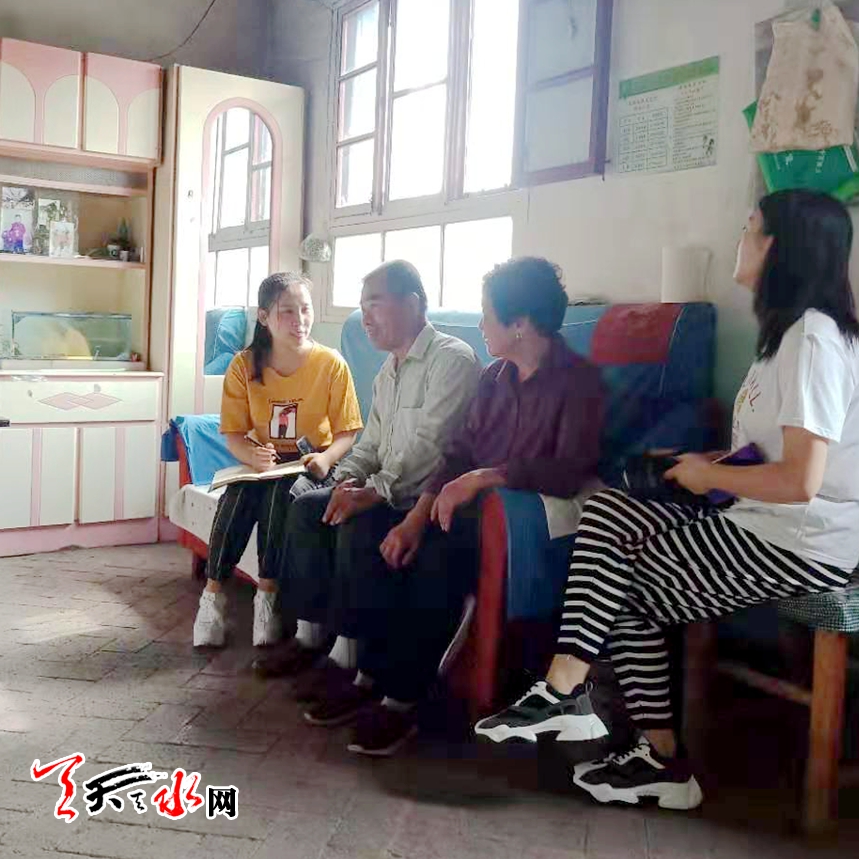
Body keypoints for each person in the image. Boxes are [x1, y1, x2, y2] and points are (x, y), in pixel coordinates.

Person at [475, 190, 859, 812]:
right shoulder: (787, 339)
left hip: (800, 542)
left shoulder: (815, 339)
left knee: (618, 583)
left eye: (750, 229)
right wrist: (701, 464)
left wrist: (706, 475)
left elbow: (802, 481)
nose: (739, 240)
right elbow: (773, 456)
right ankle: (606, 719)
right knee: (607, 512)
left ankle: (615, 725)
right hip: (760, 520)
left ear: (780, 247)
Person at [304, 256, 607, 758]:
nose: (481, 324)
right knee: (376, 530)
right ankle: (368, 675)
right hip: (462, 508)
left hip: (518, 523)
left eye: (488, 314)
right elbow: (458, 453)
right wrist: (415, 517)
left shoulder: (578, 383)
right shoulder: (495, 379)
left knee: (434, 556)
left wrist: (485, 477)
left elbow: (569, 469)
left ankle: (403, 700)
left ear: (520, 323)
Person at [255, 260, 480, 681]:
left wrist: (372, 492)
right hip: (383, 489)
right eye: (362, 307)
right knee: (307, 507)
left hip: (420, 500)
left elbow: (431, 447)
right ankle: (309, 636)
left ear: (412, 303)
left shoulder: (452, 360)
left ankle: (348, 656)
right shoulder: (387, 371)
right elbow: (370, 445)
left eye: (375, 304)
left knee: (356, 522)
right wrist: (343, 481)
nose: (366, 318)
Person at [192, 273, 364, 648]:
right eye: (287, 311)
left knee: (277, 497)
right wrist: (251, 456)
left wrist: (326, 458)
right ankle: (212, 597)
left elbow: (347, 432)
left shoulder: (331, 364)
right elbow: (234, 434)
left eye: (305, 309)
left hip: (312, 462)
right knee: (237, 496)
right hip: (263, 462)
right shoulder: (243, 365)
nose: (299, 320)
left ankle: (266, 599)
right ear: (264, 316)